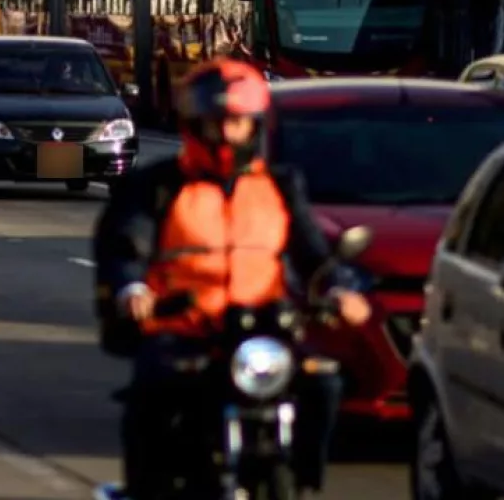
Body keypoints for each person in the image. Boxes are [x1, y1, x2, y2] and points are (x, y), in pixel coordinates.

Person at [92, 58, 372, 500]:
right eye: (216, 122)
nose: (226, 133)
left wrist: (339, 289)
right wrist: (133, 289)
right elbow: (127, 246)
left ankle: (300, 478)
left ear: (255, 126)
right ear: (194, 124)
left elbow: (313, 252)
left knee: (323, 382)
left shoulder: (280, 185)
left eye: (238, 122)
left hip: (262, 329)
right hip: (184, 329)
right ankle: (145, 489)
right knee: (151, 394)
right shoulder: (159, 185)